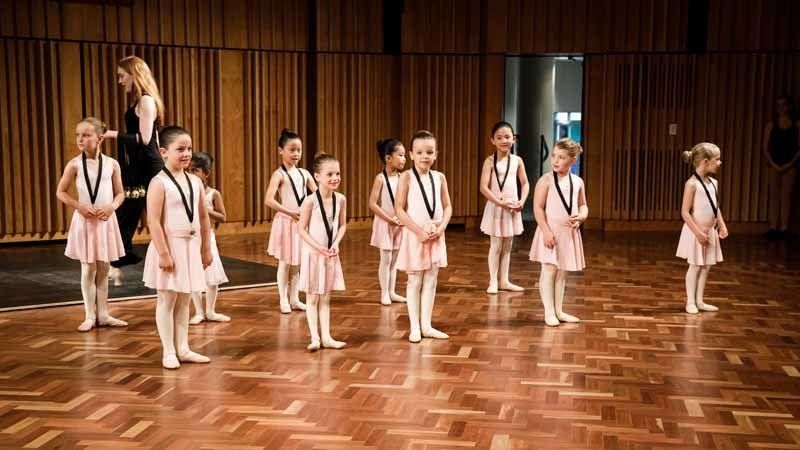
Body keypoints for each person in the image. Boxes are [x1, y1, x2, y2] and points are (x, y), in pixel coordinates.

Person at [142, 126, 213, 369]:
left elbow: (203, 218)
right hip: (169, 246)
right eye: (180, 149)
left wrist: (205, 248)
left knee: (184, 300)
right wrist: (163, 253)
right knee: (167, 300)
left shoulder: (194, 181)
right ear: (163, 152)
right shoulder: (159, 183)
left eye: (189, 148)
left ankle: (183, 347)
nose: (186, 153)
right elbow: (153, 220)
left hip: (191, 247)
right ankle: (168, 351)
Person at [56, 117, 127, 332]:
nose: (80, 139)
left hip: (105, 220)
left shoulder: (112, 164)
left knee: (104, 267)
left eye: (86, 135)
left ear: (100, 138)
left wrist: (111, 207)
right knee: (88, 268)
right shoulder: (75, 164)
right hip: (85, 221)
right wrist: (78, 205)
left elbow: (120, 193)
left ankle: (104, 314)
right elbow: (60, 192)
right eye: (78, 135)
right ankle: (89, 315)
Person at [395, 130, 453, 343]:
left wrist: (442, 227)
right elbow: (399, 209)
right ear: (411, 154)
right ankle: (414, 327)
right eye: (419, 152)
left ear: (436, 154)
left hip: (435, 235)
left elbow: (448, 206)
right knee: (414, 280)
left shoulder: (440, 178)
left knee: (431, 279)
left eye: (429, 152)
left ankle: (427, 325)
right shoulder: (406, 177)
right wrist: (418, 231)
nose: (424, 156)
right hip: (415, 235)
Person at [529, 138, 587, 326]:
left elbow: (583, 205)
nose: (555, 160)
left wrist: (581, 217)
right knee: (549, 270)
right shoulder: (545, 180)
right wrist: (545, 231)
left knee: (562, 272)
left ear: (573, 160)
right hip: (550, 231)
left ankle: (559, 310)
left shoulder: (578, 181)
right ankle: (549, 312)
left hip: (568, 233)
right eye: (554, 155)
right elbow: (538, 207)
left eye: (561, 157)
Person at [298, 154, 347, 351]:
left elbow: (342, 225)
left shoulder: (341, 199)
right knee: (312, 298)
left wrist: (336, 243)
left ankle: (327, 337)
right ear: (317, 176)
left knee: (326, 297)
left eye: (337, 173)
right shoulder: (310, 201)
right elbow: (301, 229)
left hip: (330, 255)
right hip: (313, 255)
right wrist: (317, 247)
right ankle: (315, 338)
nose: (335, 177)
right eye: (330, 174)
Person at [677, 142, 729, 314]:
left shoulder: (713, 182)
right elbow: (685, 212)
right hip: (696, 231)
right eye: (717, 159)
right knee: (696, 266)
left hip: (709, 231)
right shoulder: (692, 184)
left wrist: (721, 224)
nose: (720, 162)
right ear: (705, 162)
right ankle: (690, 301)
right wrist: (698, 233)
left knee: (706, 266)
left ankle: (700, 300)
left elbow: (715, 206)